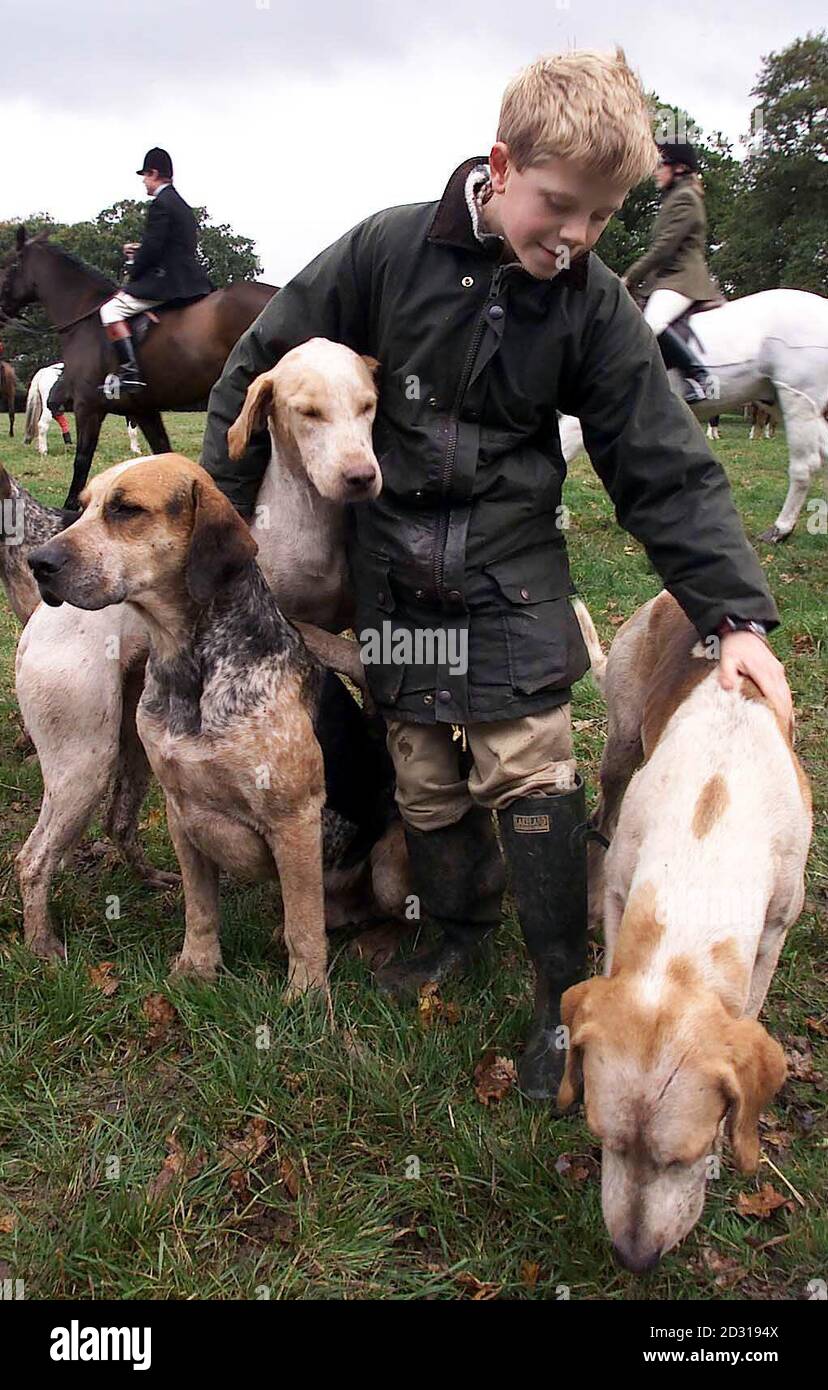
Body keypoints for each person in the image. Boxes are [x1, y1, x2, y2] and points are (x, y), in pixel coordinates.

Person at [200, 49, 792, 1101]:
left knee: (531, 771)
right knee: (424, 773)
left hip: (512, 584)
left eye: (601, 219)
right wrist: (221, 517)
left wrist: (735, 615)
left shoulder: (595, 306)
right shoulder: (386, 250)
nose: (574, 237)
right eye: (558, 206)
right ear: (501, 164)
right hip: (392, 586)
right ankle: (449, 935)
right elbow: (257, 363)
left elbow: (663, 463)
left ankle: (562, 988)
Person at [97, 148, 212, 398]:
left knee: (110, 310)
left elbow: (152, 250)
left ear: (155, 173)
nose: (143, 181)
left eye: (145, 175)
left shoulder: (160, 204)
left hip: (167, 282)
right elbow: (174, 247)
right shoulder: (181, 204)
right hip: (192, 279)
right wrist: (142, 250)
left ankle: (130, 372)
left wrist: (133, 267)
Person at [622, 140, 719, 402]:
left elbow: (664, 248)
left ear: (679, 169)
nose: (655, 171)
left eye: (660, 165)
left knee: (651, 324)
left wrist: (630, 277)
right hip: (667, 279)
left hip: (682, 279)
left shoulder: (685, 198)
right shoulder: (675, 197)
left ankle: (699, 378)